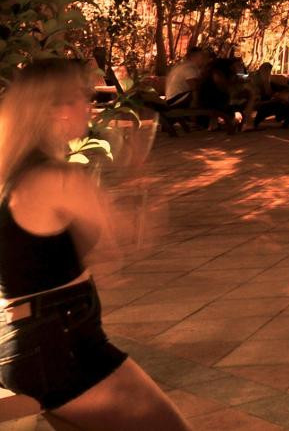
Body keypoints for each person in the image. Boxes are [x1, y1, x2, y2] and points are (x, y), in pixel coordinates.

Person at [0, 59, 190, 429]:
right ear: (53, 110)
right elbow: (128, 241)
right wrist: (139, 173)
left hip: (26, 342)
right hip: (62, 342)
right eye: (79, 98)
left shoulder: (10, 175)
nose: (89, 107)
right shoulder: (59, 178)